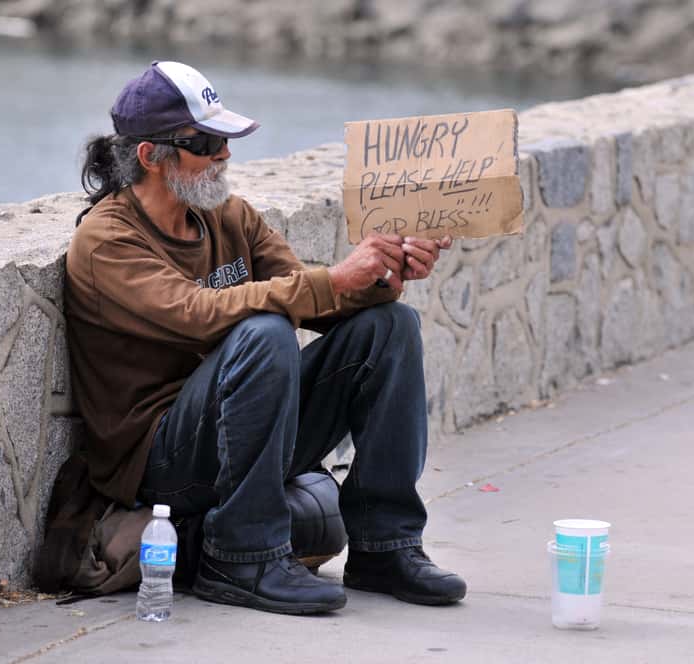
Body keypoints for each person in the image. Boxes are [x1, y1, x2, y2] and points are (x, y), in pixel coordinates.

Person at [64, 60, 466, 615]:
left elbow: (313, 295)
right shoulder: (108, 240)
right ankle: (242, 555)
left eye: (226, 139)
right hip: (161, 461)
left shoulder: (229, 215)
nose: (224, 154)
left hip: (248, 432)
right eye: (206, 142)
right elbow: (198, 313)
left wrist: (383, 272)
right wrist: (332, 279)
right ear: (150, 156)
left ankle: (384, 546)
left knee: (390, 327)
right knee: (263, 331)